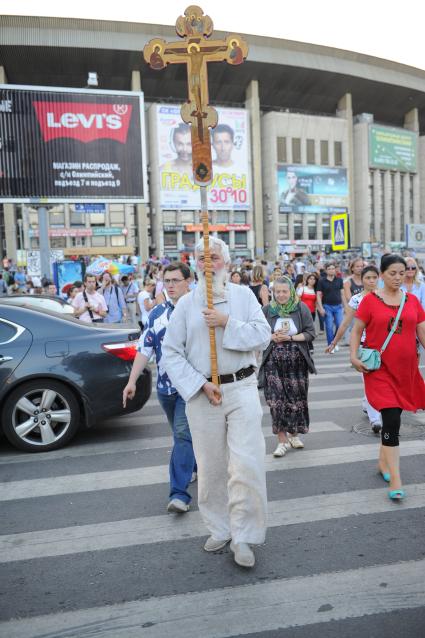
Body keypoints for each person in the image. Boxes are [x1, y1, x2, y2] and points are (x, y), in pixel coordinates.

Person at [162, 237, 271, 568]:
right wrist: (199, 385)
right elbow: (170, 352)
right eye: (201, 258)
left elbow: (262, 335)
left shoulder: (242, 296)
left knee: (246, 463)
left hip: (241, 388)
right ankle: (220, 527)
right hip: (204, 394)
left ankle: (244, 536)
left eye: (214, 257)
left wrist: (226, 324)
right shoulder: (185, 305)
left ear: (226, 261)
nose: (208, 263)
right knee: (210, 467)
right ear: (194, 264)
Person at [123, 262, 196, 513]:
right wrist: (131, 381)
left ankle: (179, 494)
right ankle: (192, 465)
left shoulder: (198, 311)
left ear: (189, 281)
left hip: (191, 387)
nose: (171, 286)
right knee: (181, 435)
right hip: (165, 389)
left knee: (183, 434)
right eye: (168, 281)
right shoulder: (156, 314)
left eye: (176, 280)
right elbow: (145, 349)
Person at [350, 255, 425, 501]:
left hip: (406, 371)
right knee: (391, 419)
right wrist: (353, 356)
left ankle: (383, 464)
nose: (397, 277)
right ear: (382, 274)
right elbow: (357, 329)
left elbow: (421, 332)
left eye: (401, 273)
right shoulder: (370, 301)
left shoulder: (412, 300)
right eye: (392, 273)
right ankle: (395, 477)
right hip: (379, 370)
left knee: (394, 418)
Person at [259, 276, 316, 457]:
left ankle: (294, 434)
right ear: (273, 293)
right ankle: (282, 441)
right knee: (276, 402)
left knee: (296, 400)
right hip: (273, 363)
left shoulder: (300, 308)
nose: (281, 295)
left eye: (285, 291)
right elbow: (257, 334)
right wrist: (271, 337)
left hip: (297, 363)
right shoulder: (267, 310)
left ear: (290, 291)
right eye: (278, 292)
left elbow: (310, 333)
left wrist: (290, 338)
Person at [326, 265, 382, 432]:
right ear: (362, 280)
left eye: (374, 277)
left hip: (383, 345)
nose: (371, 281)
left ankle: (366, 402)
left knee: (380, 382)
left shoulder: (385, 296)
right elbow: (345, 323)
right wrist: (334, 342)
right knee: (369, 380)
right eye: (368, 278)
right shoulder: (356, 299)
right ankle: (375, 419)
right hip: (364, 345)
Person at [316, 262, 347, 349]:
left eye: (333, 269)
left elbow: (342, 294)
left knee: (339, 325)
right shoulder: (322, 281)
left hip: (338, 306)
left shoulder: (339, 280)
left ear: (335, 270)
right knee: (329, 327)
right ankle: (331, 345)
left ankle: (334, 340)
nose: (331, 270)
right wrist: (321, 308)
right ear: (326, 270)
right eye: (329, 269)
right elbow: (318, 294)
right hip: (327, 306)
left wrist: (345, 306)